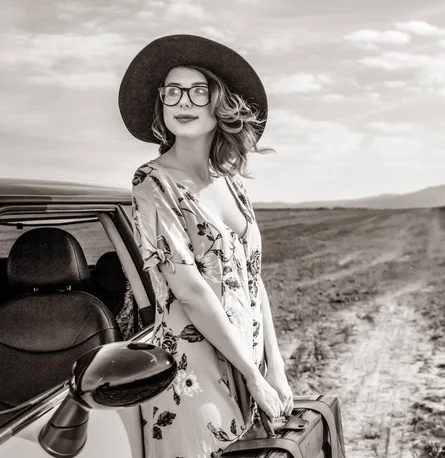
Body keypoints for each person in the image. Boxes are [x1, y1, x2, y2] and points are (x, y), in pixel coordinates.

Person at [118, 34, 293, 458]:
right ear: (161, 103)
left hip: (249, 367)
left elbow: (253, 280)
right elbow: (192, 293)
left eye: (198, 90)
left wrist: (277, 368)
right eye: (172, 91)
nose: (183, 101)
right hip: (195, 375)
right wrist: (253, 375)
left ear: (219, 104)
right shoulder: (152, 182)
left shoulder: (231, 181)